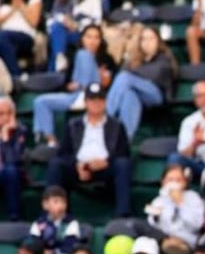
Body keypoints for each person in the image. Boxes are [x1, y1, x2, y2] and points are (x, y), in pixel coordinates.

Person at [45, 82, 133, 218]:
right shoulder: (73, 125)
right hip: (79, 167)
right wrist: (77, 164)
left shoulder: (116, 125)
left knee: (123, 164)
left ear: (105, 102)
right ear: (86, 102)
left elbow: (124, 152)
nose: (96, 103)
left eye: (100, 100)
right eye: (92, 100)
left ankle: (123, 214)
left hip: (105, 167)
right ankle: (52, 214)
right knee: (56, 164)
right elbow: (63, 153)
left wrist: (107, 161)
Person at [32, 23, 115, 147]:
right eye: (89, 37)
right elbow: (67, 83)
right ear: (82, 38)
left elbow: (110, 84)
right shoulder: (75, 56)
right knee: (40, 101)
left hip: (97, 95)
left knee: (84, 54)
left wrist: (103, 78)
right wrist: (70, 86)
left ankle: (87, 94)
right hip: (75, 96)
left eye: (96, 37)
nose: (92, 41)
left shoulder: (107, 59)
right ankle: (50, 140)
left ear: (100, 40)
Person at [106, 24, 176, 140]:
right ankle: (124, 140)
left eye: (151, 38)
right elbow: (123, 72)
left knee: (125, 78)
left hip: (156, 94)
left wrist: (132, 74)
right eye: (144, 39)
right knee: (130, 95)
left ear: (158, 40)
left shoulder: (164, 58)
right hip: (139, 94)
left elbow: (155, 73)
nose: (147, 42)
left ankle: (106, 117)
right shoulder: (135, 59)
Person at [167, 80, 205, 195]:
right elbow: (184, 154)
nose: (204, 99)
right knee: (175, 158)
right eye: (200, 96)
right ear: (195, 100)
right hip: (200, 163)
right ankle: (174, 200)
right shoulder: (189, 121)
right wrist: (196, 142)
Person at [143, 164, 205, 254]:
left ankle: (176, 246)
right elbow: (152, 225)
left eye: (178, 180)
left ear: (185, 182)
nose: (174, 184)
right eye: (170, 180)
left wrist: (180, 203)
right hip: (164, 238)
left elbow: (196, 225)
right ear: (163, 182)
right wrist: (156, 217)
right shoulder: (158, 200)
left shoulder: (194, 198)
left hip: (185, 240)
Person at [28, 185, 81, 254]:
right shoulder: (38, 223)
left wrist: (52, 253)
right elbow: (34, 243)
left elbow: (70, 245)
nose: (61, 206)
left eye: (63, 202)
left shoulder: (71, 223)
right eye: (56, 202)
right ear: (45, 205)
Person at [0, 0, 43, 79]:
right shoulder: (2, 0)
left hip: (25, 36)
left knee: (2, 36)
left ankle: (17, 76)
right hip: (5, 36)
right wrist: (12, 9)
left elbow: (34, 22)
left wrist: (20, 3)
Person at [0, 95, 27, 221]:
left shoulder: (20, 131)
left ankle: (14, 217)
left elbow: (12, 160)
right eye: (1, 114)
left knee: (10, 171)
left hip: (12, 173)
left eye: (9, 113)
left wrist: (5, 138)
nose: (5, 117)